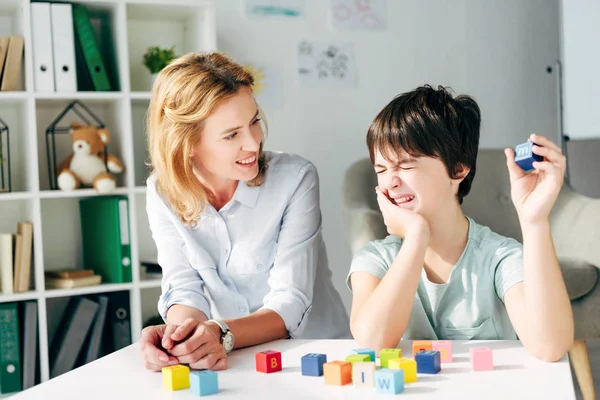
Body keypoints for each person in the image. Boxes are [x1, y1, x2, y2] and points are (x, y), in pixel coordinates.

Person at [139, 52, 350, 372]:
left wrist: (217, 333)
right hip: (236, 363)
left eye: (253, 122)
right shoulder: (161, 192)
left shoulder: (295, 178)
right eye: (231, 135)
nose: (254, 143)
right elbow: (183, 287)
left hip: (317, 356)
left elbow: (291, 302)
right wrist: (180, 337)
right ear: (186, 143)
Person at [347, 85, 574, 362]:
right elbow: (373, 343)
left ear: (458, 169)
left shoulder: (499, 258)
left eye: (405, 165)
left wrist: (534, 221)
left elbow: (550, 347)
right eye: (381, 169)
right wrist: (417, 236)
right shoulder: (374, 259)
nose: (390, 182)